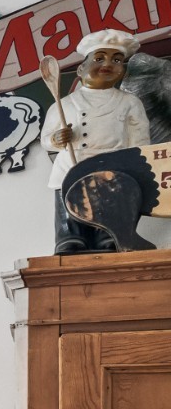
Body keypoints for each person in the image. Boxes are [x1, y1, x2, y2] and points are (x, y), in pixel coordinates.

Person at [46, 28, 151, 253]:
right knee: (69, 202)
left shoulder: (130, 102)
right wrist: (56, 139)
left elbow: (139, 140)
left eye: (117, 60)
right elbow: (46, 139)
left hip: (113, 165)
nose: (108, 64)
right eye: (99, 58)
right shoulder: (64, 104)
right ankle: (70, 237)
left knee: (112, 205)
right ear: (81, 69)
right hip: (70, 165)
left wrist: (137, 165)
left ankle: (110, 237)